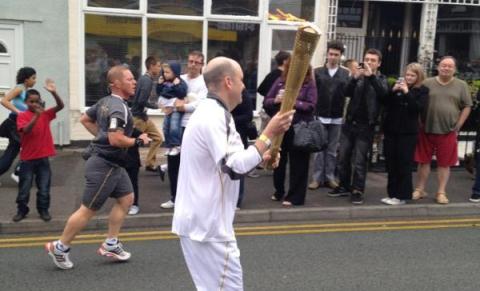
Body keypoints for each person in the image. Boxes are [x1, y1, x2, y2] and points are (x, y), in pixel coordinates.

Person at [172, 57, 293, 290]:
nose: (244, 87)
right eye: (241, 80)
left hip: (199, 222)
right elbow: (235, 165)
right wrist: (268, 134)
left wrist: (263, 154)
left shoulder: (210, 112)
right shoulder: (214, 116)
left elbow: (229, 162)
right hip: (209, 227)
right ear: (228, 82)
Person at [45, 66, 151, 270]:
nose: (135, 82)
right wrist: (138, 141)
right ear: (117, 84)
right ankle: (60, 248)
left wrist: (101, 136)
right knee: (88, 209)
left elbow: (85, 119)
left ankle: (110, 244)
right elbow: (115, 138)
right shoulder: (119, 109)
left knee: (127, 199)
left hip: (112, 164)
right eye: (130, 79)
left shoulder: (105, 102)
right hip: (104, 164)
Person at [329, 49, 388, 204]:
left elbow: (383, 96)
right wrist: (354, 78)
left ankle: (357, 190)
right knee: (343, 157)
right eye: (367, 59)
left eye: (373, 60)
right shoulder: (357, 77)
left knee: (360, 160)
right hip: (350, 122)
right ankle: (344, 186)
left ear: (379, 63)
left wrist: (372, 77)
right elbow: (346, 92)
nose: (368, 63)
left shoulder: (381, 79)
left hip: (366, 125)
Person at [413, 56, 472, 204]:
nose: (446, 68)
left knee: (444, 164)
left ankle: (441, 192)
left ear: (455, 69)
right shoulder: (427, 83)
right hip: (426, 128)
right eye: (443, 65)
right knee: (423, 161)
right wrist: (419, 121)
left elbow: (467, 106)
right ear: (438, 67)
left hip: (448, 130)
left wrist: (459, 125)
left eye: (450, 66)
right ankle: (419, 190)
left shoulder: (461, 85)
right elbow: (417, 102)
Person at [263, 64, 317, 206]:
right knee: (278, 159)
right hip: (281, 126)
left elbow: (311, 105)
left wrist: (293, 102)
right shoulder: (280, 81)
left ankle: (295, 196)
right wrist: (276, 100)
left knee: (299, 163)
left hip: (300, 127)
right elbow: (267, 101)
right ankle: (279, 191)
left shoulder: (309, 84)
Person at [160, 51, 208, 209]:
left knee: (191, 166)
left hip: (192, 127)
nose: (193, 65)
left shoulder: (204, 83)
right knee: (173, 164)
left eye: (197, 62)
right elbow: (163, 97)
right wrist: (169, 105)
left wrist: (183, 106)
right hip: (174, 125)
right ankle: (174, 198)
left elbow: (200, 104)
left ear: (202, 65)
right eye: (191, 61)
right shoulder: (179, 78)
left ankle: (191, 200)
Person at [13, 80, 64, 222]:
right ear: (26, 102)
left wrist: (53, 92)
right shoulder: (22, 116)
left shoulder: (46, 114)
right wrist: (36, 115)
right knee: (24, 189)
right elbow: (26, 130)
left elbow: (60, 106)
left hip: (43, 159)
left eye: (37, 101)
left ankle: (43, 210)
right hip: (27, 160)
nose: (35, 104)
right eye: (31, 101)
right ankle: (22, 210)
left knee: (44, 189)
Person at [381, 63, 428, 205]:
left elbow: (416, 108)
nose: (409, 78)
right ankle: (392, 194)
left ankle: (402, 195)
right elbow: (384, 102)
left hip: (407, 133)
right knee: (391, 163)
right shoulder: (397, 86)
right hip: (391, 130)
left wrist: (407, 92)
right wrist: (392, 91)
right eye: (407, 74)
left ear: (418, 77)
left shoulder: (422, 91)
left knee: (403, 163)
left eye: (412, 75)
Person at [309, 40, 350, 191]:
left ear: (340, 56)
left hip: (337, 116)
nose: (333, 57)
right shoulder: (317, 71)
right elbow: (313, 94)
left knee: (332, 149)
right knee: (319, 149)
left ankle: (330, 177)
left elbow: (347, 94)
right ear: (327, 54)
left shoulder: (346, 73)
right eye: (331, 54)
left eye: (336, 55)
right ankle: (316, 178)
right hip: (320, 114)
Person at [0, 67, 37, 184]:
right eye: (33, 78)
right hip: (15, 124)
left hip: (20, 123)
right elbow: (4, 100)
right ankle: (18, 173)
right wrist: (19, 112)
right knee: (30, 148)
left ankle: (19, 172)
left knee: (13, 150)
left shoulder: (25, 90)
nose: (35, 80)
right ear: (26, 80)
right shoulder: (20, 88)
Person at [130, 56, 164, 172]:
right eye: (158, 66)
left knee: (158, 138)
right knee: (132, 144)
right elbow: (141, 101)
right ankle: (123, 164)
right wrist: (156, 106)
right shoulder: (147, 81)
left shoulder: (144, 79)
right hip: (138, 118)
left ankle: (150, 164)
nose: (160, 69)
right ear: (151, 66)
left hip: (142, 117)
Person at [157, 62, 188, 156]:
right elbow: (159, 92)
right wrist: (159, 84)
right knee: (166, 127)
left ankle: (176, 145)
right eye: (164, 72)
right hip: (167, 108)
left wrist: (176, 85)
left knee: (174, 126)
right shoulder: (165, 82)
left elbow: (182, 94)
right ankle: (168, 146)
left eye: (167, 72)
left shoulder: (180, 82)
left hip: (175, 108)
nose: (165, 74)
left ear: (175, 72)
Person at [232, 90, 255, 209]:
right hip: (226, 134)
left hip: (240, 135)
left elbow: (249, 115)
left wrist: (229, 120)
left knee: (238, 168)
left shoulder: (243, 94)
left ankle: (237, 200)